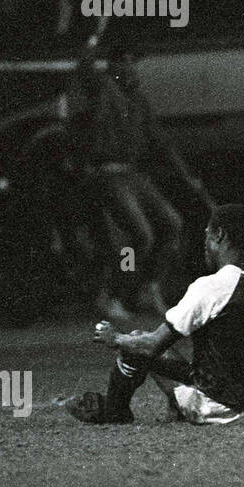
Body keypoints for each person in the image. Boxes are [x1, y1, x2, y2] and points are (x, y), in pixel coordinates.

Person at [63, 204, 244, 425]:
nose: (204, 244)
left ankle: (115, 411)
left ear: (219, 235)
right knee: (205, 361)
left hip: (221, 408)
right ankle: (175, 406)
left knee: (136, 342)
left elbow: (152, 345)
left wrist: (115, 338)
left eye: (207, 235)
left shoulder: (212, 286)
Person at [76, 41, 205, 319]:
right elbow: (85, 67)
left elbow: (162, 144)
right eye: (126, 62)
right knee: (141, 235)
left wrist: (187, 177)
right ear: (114, 66)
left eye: (134, 62)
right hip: (108, 174)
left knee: (173, 225)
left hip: (132, 174)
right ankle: (111, 295)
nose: (132, 68)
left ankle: (149, 287)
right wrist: (94, 39)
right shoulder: (104, 89)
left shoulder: (139, 101)